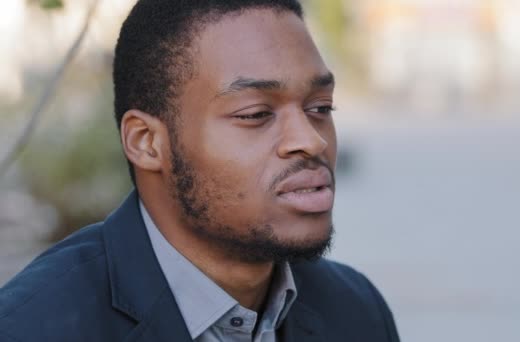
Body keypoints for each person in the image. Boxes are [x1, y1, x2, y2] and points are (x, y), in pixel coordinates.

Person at [0, 1, 400, 341]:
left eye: (320, 108)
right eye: (256, 114)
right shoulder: (31, 327)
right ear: (146, 142)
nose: (312, 141)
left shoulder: (356, 311)